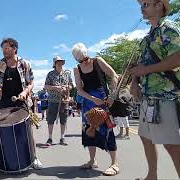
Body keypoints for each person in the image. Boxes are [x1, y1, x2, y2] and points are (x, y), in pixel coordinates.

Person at [130, 0, 180, 179]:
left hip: (167, 95)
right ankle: (152, 176)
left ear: (159, 5)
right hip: (148, 97)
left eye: (146, 3)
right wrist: (135, 81)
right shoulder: (147, 37)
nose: (142, 7)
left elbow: (177, 58)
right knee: (146, 136)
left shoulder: (169, 28)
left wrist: (145, 70)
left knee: (172, 144)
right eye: (141, 4)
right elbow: (140, 64)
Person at [0, 37, 43, 170]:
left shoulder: (25, 64)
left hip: (21, 100)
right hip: (4, 101)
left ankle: (33, 157)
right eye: (3, 49)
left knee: (26, 130)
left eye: (7, 48)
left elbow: (31, 82)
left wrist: (25, 92)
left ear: (15, 49)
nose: (4, 51)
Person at [72, 42, 120, 176]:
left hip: (104, 100)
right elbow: (80, 90)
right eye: (80, 60)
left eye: (85, 59)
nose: (84, 63)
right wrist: (92, 99)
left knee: (107, 130)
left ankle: (114, 163)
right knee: (88, 131)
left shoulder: (98, 61)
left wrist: (112, 95)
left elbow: (114, 76)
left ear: (87, 54)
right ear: (76, 59)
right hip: (89, 102)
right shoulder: (77, 69)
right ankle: (92, 160)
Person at [44, 56, 73, 146]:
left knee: (63, 119)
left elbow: (71, 85)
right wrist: (55, 88)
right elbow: (46, 86)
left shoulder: (67, 74)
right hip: (53, 100)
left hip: (64, 100)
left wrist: (67, 88)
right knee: (50, 119)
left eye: (61, 62)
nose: (60, 63)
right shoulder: (50, 74)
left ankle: (62, 137)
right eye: (58, 62)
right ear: (55, 64)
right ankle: (50, 138)